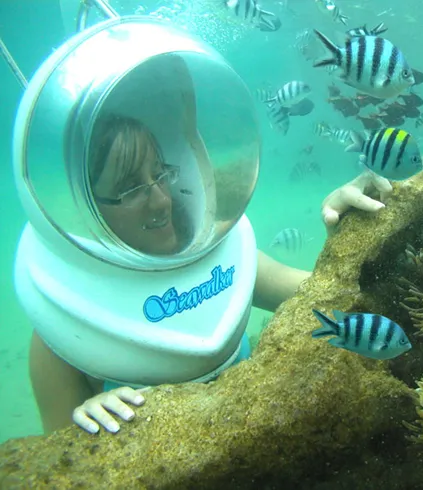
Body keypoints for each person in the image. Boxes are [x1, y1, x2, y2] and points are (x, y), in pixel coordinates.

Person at [28, 115, 391, 435]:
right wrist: (84, 424)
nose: (162, 200)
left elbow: (335, 294)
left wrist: (346, 228)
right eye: (130, 189)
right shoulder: (67, 322)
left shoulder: (218, 256)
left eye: (160, 173)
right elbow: (59, 466)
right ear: (85, 207)